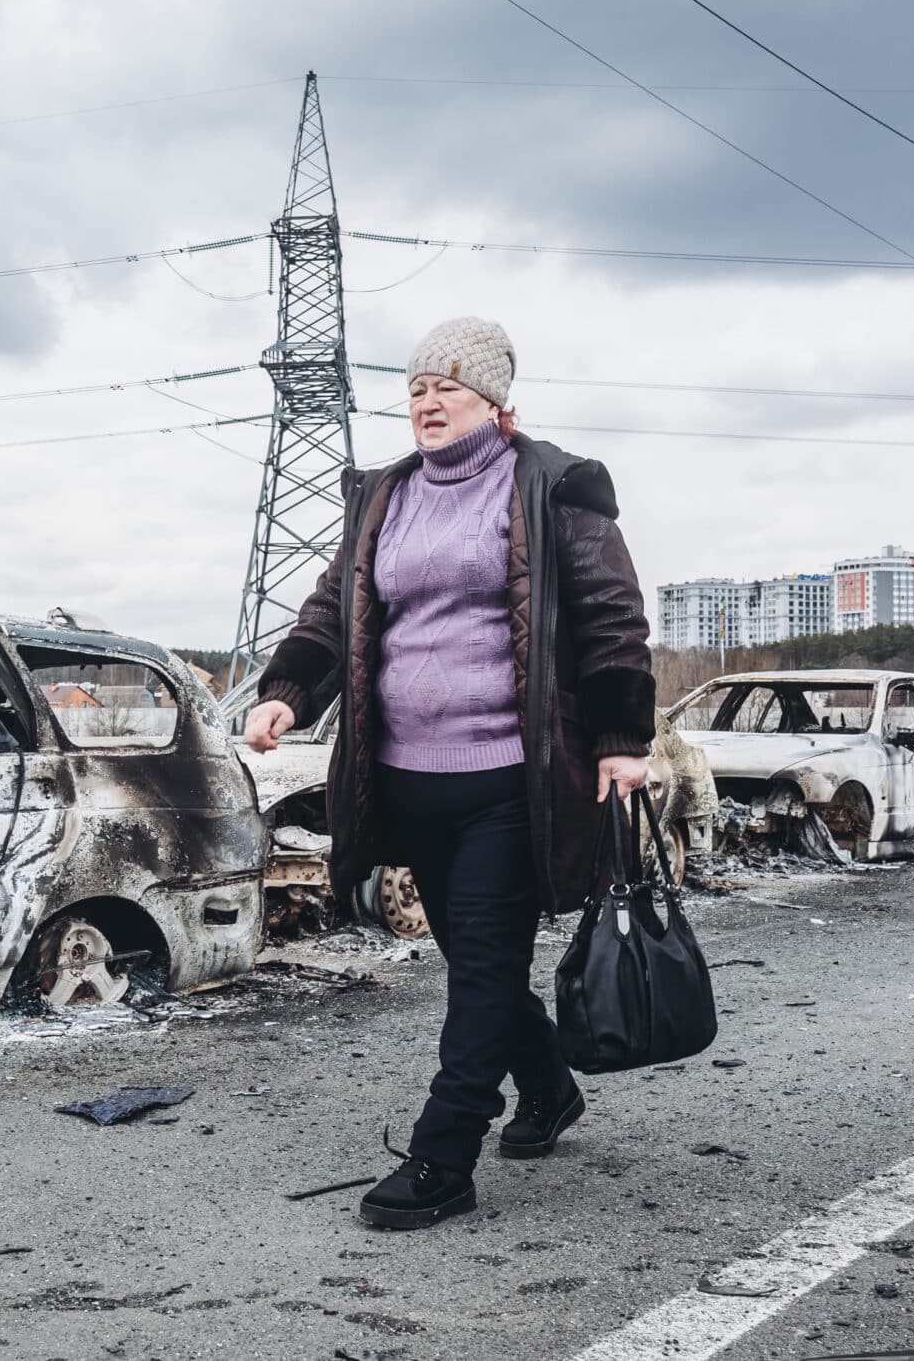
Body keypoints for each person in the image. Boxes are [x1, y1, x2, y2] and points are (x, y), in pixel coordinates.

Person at [243, 315, 655, 1230]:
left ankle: (445, 1153)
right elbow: (331, 611)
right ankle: (549, 1087)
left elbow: (610, 614)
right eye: (418, 386)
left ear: (496, 399)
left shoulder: (553, 485)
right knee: (480, 961)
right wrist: (288, 692)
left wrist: (623, 733)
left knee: (478, 972)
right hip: (404, 775)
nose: (428, 401)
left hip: (514, 774)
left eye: (449, 386)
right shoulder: (385, 495)